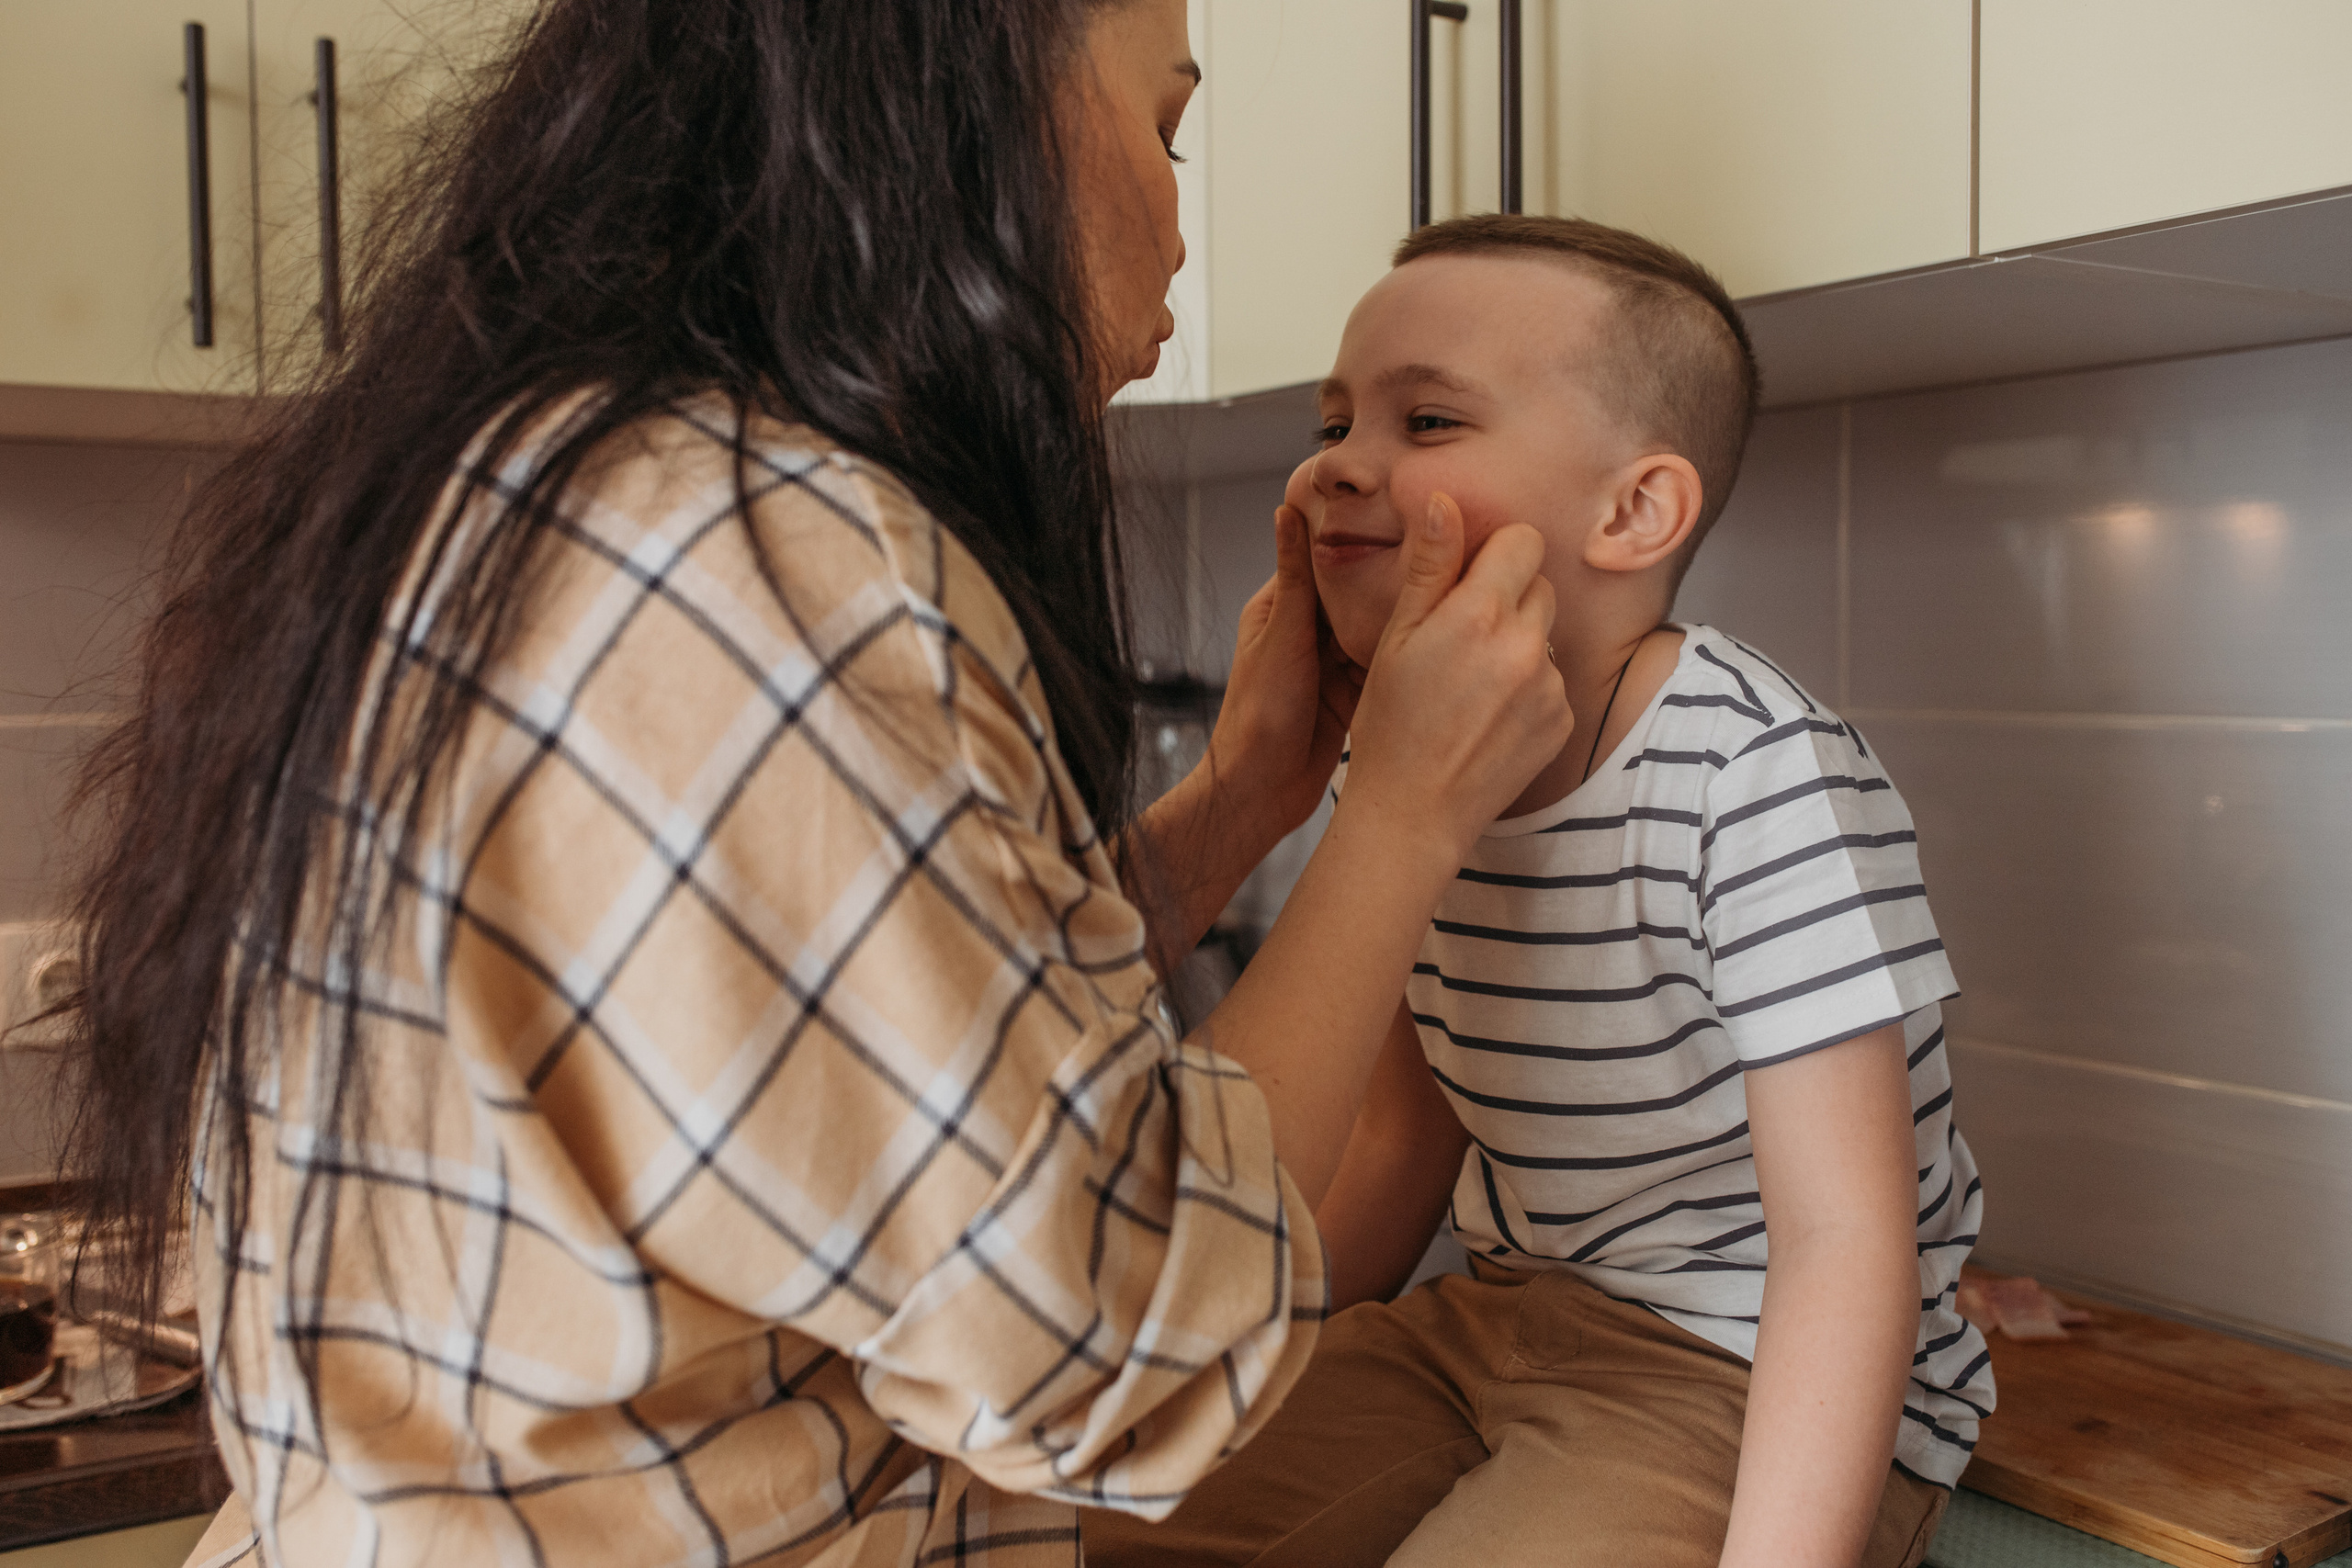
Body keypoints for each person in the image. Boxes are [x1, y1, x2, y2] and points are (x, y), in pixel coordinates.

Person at [55, 7, 1573, 1565]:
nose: (1181, 214)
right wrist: (1394, 820)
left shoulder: (580, 495)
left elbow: (855, 1052)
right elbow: (1119, 1347)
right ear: (964, 112)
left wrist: (1244, 803)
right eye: (1165, 129)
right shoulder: (766, 567)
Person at [1085, 214, 1993, 1568]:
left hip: (1732, 1362)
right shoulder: (1411, 764)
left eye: (1428, 420)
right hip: (1495, 1323)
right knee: (1093, 1528)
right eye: (1337, 422)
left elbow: (1847, 1248)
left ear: (1634, 512)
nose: (1338, 468)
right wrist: (1205, 1375)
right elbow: (1403, 1146)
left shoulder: (1757, 769)